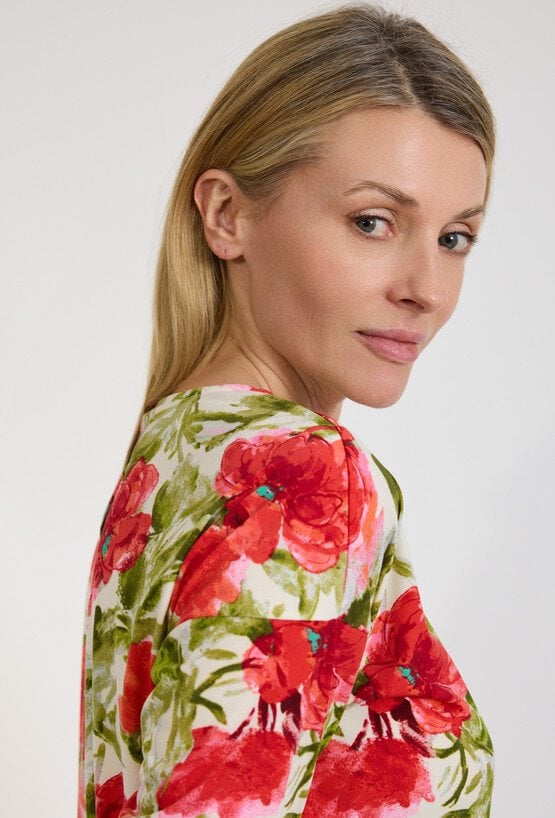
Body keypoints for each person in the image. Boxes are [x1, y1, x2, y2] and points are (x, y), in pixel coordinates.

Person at [78, 3, 496, 816]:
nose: (427, 289)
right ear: (226, 216)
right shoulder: (303, 473)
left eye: (454, 238)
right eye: (372, 222)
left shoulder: (176, 444)